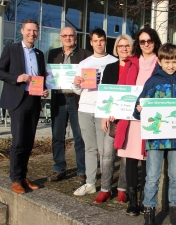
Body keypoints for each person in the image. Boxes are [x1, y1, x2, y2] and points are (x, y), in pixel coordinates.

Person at [133, 43, 176, 225]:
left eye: (174, 61)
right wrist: (139, 109)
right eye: (167, 61)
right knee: (152, 177)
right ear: (160, 61)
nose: (171, 65)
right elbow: (137, 108)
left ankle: (175, 214)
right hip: (155, 140)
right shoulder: (153, 81)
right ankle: (149, 213)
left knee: (175, 176)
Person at [0, 19, 49, 194]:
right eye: (29, 30)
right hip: (18, 100)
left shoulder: (40, 54)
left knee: (28, 142)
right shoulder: (11, 49)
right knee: (18, 141)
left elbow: (39, 78)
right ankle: (16, 179)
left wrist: (44, 91)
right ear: (22, 30)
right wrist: (17, 78)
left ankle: (24, 176)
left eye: (35, 31)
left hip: (33, 101)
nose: (32, 33)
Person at [113, 27, 162, 216]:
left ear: (155, 42)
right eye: (142, 41)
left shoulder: (161, 62)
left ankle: (146, 198)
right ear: (138, 44)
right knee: (131, 160)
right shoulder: (131, 63)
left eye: (149, 40)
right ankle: (133, 201)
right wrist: (113, 110)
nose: (146, 44)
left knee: (149, 160)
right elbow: (120, 88)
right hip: (131, 120)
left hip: (152, 120)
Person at [71, 28, 121, 204]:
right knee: (89, 148)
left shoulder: (114, 61)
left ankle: (106, 185)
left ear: (105, 41)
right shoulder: (84, 63)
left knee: (105, 150)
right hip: (84, 108)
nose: (98, 43)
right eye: (95, 41)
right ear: (90, 42)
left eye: (101, 40)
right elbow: (77, 90)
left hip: (104, 111)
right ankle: (90, 183)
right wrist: (76, 83)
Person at [47, 27, 92, 184]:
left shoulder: (85, 54)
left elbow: (90, 77)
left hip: (76, 100)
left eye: (71, 35)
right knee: (57, 135)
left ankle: (81, 170)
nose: (68, 38)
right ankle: (58, 168)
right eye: (65, 35)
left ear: (76, 37)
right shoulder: (53, 54)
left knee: (79, 137)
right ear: (60, 37)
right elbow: (48, 75)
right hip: (58, 98)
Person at [100, 34, 135, 203]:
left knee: (126, 156)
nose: (124, 49)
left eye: (127, 45)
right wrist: (105, 115)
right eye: (120, 46)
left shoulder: (136, 66)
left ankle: (122, 189)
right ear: (116, 48)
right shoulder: (110, 68)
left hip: (130, 118)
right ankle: (105, 189)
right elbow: (105, 93)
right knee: (108, 154)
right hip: (112, 117)